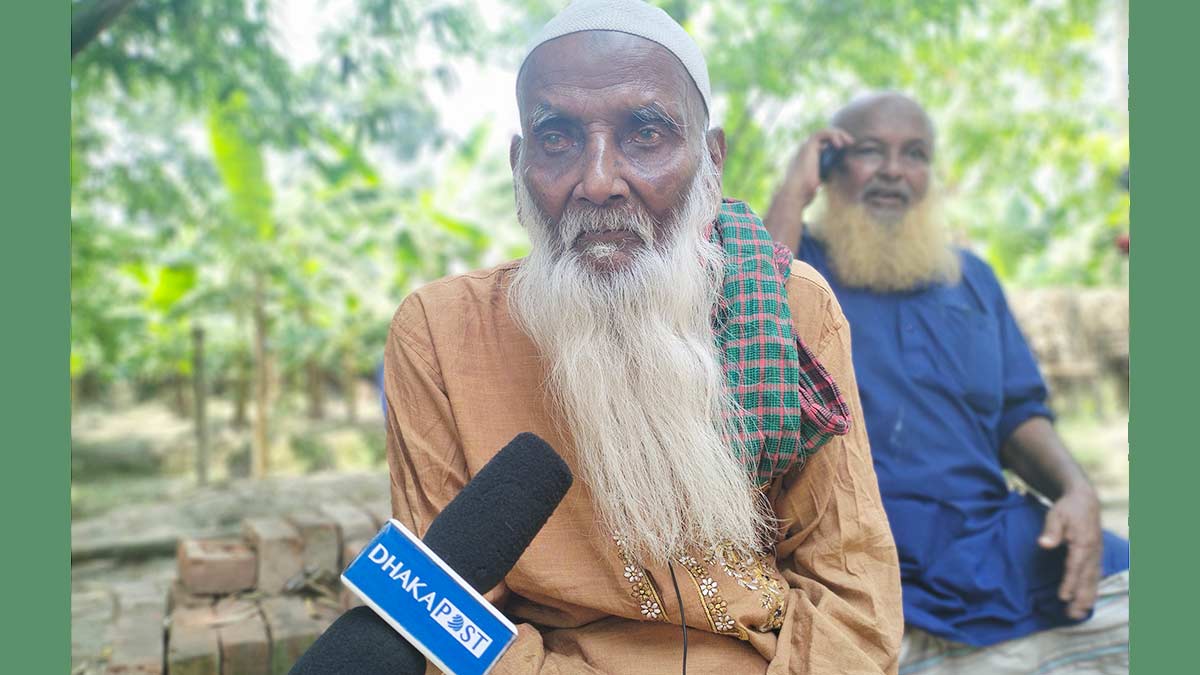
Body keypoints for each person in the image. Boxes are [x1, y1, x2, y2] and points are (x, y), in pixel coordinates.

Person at [382, 1, 904, 672]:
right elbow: (441, 611)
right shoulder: (437, 330)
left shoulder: (790, 307)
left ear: (709, 160)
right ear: (520, 167)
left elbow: (853, 599)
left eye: (647, 134)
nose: (598, 182)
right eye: (559, 138)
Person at [765, 92, 1130, 674]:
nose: (893, 170)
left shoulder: (973, 278)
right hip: (857, 562)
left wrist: (1076, 491)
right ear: (832, 167)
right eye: (869, 151)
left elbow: (1019, 413)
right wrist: (792, 191)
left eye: (914, 154)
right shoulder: (796, 264)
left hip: (992, 541)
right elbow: (753, 345)